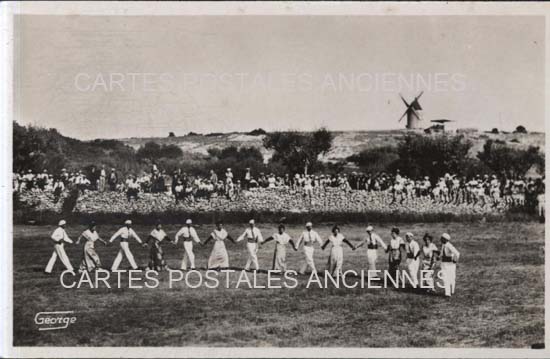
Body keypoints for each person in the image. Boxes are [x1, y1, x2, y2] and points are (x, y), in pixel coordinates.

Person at [439, 233, 460, 297]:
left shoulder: (449, 245)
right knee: (445, 278)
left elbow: (457, 253)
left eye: (442, 238)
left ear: (445, 239)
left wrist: (455, 260)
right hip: (444, 264)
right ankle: (447, 293)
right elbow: (442, 253)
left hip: (450, 265)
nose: (441, 239)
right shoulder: (443, 245)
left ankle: (452, 291)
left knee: (451, 278)